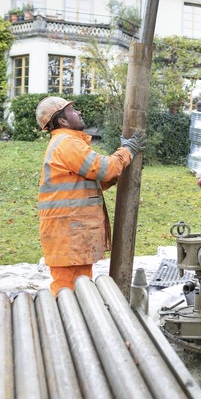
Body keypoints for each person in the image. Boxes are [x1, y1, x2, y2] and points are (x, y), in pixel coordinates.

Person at [35, 96, 144, 296]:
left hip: (69, 233)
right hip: (69, 233)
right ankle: (63, 325)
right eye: (72, 110)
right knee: (67, 293)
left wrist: (120, 166)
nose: (79, 112)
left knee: (77, 289)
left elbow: (96, 179)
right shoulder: (66, 143)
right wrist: (126, 151)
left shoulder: (66, 143)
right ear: (63, 121)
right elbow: (104, 170)